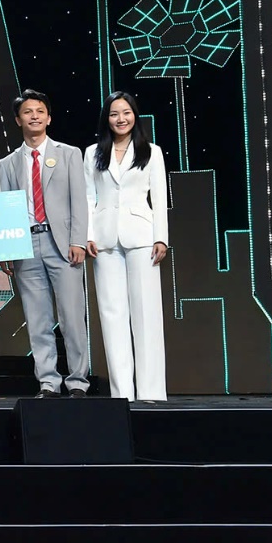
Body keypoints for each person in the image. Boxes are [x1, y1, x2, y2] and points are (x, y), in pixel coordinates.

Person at [0, 89, 91, 398]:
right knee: (37, 320)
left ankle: (78, 381)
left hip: (61, 244)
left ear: (49, 118)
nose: (34, 116)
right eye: (28, 112)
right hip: (26, 244)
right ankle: (48, 381)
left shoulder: (69, 154)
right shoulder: (8, 163)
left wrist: (78, 240)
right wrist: (8, 249)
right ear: (18, 120)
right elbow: (6, 209)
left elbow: (79, 201)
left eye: (40, 111)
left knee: (72, 317)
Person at [84, 91, 169, 402]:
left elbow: (159, 197)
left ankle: (151, 391)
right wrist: (88, 234)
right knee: (112, 315)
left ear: (135, 115)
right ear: (106, 119)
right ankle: (122, 393)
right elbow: (88, 196)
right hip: (104, 239)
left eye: (126, 112)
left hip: (142, 237)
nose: (121, 119)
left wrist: (161, 237)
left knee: (146, 314)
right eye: (114, 114)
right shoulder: (93, 152)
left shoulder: (151, 152)